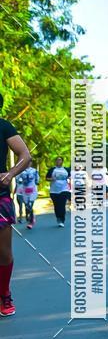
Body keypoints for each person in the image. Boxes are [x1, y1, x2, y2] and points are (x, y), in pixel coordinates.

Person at [0, 93, 32, 316]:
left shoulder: (4, 127)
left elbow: (24, 155)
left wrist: (10, 173)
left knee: (3, 252)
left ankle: (4, 293)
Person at [46, 156, 71, 227]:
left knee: (62, 205)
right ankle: (58, 218)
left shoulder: (66, 169)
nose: (58, 161)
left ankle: (62, 220)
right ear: (55, 162)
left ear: (62, 161)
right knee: (56, 206)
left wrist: (69, 178)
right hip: (54, 191)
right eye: (57, 160)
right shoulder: (52, 169)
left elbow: (70, 177)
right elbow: (47, 178)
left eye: (60, 160)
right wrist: (51, 179)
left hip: (64, 189)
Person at [14, 163, 39, 229]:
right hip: (24, 191)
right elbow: (18, 180)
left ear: (31, 163)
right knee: (27, 205)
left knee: (30, 204)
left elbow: (37, 180)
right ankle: (30, 217)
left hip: (32, 190)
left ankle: (31, 221)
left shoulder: (34, 171)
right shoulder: (20, 171)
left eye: (29, 162)